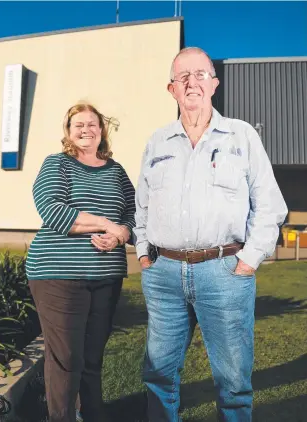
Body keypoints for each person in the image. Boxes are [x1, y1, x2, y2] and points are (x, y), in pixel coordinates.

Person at [134, 47, 288, 422]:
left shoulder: (241, 135)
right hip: (164, 274)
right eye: (182, 76)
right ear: (171, 89)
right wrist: (143, 254)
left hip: (224, 273)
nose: (191, 82)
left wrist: (248, 261)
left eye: (200, 74)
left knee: (233, 383)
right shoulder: (157, 142)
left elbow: (270, 205)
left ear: (214, 84)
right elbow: (142, 207)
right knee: (158, 375)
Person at [26, 102, 136, 422]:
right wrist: (104, 223)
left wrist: (120, 234)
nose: (86, 130)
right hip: (58, 275)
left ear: (102, 130)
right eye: (78, 125)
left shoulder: (115, 170)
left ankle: (92, 414)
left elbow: (132, 213)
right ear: (68, 132)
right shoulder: (57, 164)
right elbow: (52, 210)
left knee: (92, 357)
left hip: (106, 274)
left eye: (92, 124)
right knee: (67, 358)